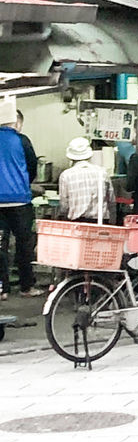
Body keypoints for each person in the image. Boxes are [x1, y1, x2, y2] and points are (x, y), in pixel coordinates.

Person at [0, 99, 40, 299]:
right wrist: (24, 183)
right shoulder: (22, 141)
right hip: (20, 202)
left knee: (0, 245)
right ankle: (26, 287)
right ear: (15, 123)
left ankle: (2, 289)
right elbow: (33, 167)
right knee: (24, 244)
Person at [58, 137, 114, 223]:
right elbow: (111, 200)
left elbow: (64, 206)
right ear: (90, 155)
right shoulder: (102, 172)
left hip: (77, 222)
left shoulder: (66, 175)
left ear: (71, 157)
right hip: (100, 221)